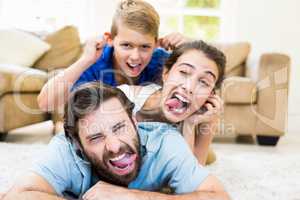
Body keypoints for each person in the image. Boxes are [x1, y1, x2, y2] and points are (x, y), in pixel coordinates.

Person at [2, 83, 230, 200]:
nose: (114, 146)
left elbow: (218, 197)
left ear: (133, 121)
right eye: (96, 137)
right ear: (78, 144)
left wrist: (132, 197)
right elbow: (15, 196)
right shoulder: (65, 148)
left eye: (119, 127)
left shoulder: (166, 143)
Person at [37, 0, 188, 112]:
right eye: (126, 45)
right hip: (109, 131)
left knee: (204, 154)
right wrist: (85, 60)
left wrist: (188, 53)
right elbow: (45, 104)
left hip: (147, 128)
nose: (135, 57)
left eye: (144, 47)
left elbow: (203, 91)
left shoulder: (161, 60)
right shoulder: (96, 63)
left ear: (156, 43)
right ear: (110, 39)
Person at [118, 40, 226, 165]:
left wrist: (190, 124)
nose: (189, 87)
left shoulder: (207, 117)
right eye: (184, 72)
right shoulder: (125, 97)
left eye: (204, 82)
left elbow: (189, 177)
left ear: (210, 94)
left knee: (209, 158)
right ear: (166, 74)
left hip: (189, 145)